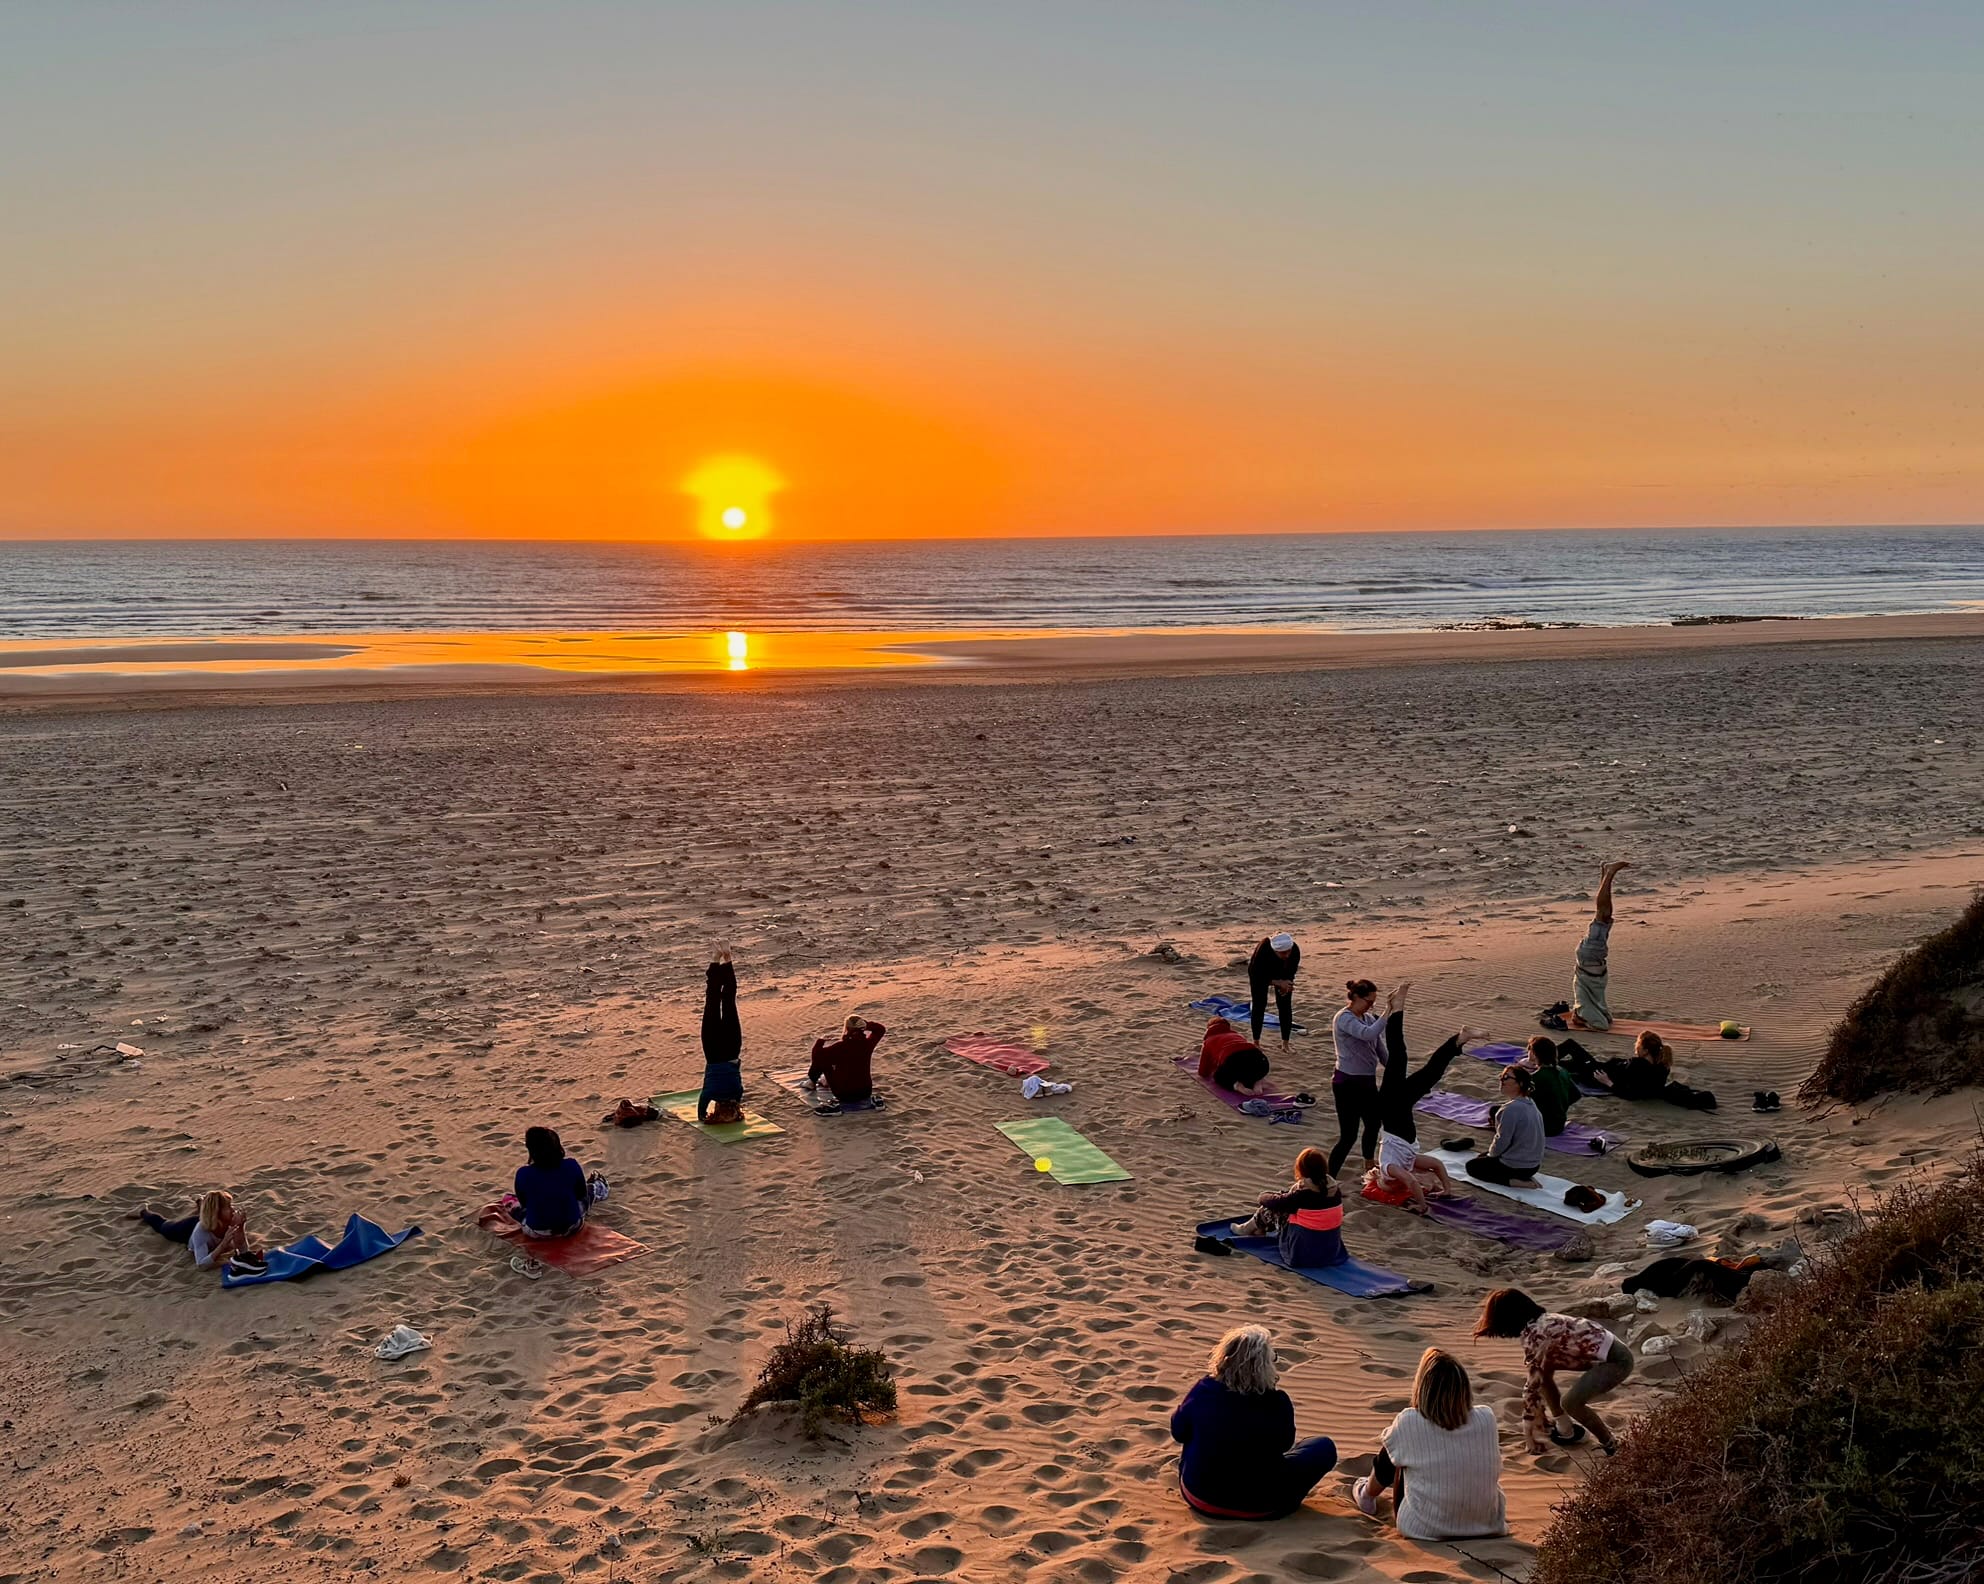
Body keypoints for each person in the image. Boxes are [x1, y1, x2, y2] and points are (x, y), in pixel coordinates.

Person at [1171, 1325, 1338, 1519]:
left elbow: (1178, 1431)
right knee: (1323, 1447)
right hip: (1262, 1506)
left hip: (1199, 1497)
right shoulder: (1276, 1401)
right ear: (1266, 1366)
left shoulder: (1204, 1390)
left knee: (1195, 1427)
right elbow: (1284, 1444)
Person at [1352, 1348, 1507, 1540]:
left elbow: (1388, 1461)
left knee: (1398, 1451)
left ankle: (1367, 1495)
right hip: (1488, 1525)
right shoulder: (1486, 1418)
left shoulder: (1410, 1421)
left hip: (1425, 1527)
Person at [1475, 1288, 1632, 1456]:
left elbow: (1532, 1388)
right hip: (1610, 1353)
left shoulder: (1536, 1335)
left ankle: (1612, 1445)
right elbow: (1541, 1377)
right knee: (1543, 1375)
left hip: (1616, 1361)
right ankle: (1566, 1430)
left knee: (1571, 1403)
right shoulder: (1542, 1322)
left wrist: (1531, 1435)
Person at [1370, 987, 1478, 1210]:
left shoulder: (1389, 1167)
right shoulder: (1408, 1162)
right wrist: (1447, 1188)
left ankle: (1397, 1007)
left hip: (1391, 1108)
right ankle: (1459, 1039)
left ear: (1382, 1180)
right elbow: (1436, 1164)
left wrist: (1422, 1205)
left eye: (1389, 1186)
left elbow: (1409, 1182)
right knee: (1430, 1073)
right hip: (1400, 1107)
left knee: (1399, 1056)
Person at [1230, 1147, 1346, 1267]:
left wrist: (1262, 1196)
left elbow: (1274, 1202)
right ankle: (1258, 1229)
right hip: (1329, 1251)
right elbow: (1291, 1200)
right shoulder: (1334, 1190)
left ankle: (1245, 1229)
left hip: (1304, 1253)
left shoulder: (1302, 1194)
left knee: (1270, 1209)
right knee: (1284, 1203)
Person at [1329, 979, 1390, 1178]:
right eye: (1368, 1001)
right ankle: (1329, 1177)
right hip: (1347, 1083)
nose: (1371, 1006)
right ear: (1355, 997)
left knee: (1373, 1124)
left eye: (1374, 1002)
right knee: (1348, 1135)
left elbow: (1379, 1047)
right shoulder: (1344, 1018)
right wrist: (1388, 1011)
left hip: (1366, 1082)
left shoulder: (1369, 1018)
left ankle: (1369, 1164)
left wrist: (1393, 1069)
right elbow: (1367, 1034)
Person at [1570, 861, 1629, 1031]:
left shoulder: (1583, 1005)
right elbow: (1603, 1024)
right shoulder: (1586, 1004)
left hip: (1590, 955)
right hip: (1592, 956)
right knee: (1604, 914)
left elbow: (1600, 1025)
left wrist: (1582, 1020)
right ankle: (1606, 873)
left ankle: (1608, 873)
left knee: (1603, 914)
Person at [1464, 1068, 1544, 1187]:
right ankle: (1522, 1176)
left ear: (1520, 1083)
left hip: (1518, 1166)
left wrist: (1490, 1156)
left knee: (1472, 1167)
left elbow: (1502, 1140)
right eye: (1501, 1076)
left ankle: (1515, 1182)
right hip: (1533, 1166)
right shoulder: (1530, 1102)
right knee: (1483, 1156)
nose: (1502, 1080)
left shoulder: (1511, 1108)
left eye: (1506, 1078)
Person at [513, 1127, 597, 1238]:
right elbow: (581, 1195)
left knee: (511, 1203)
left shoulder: (523, 1173)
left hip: (538, 1232)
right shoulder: (571, 1165)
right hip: (573, 1226)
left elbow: (524, 1203)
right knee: (588, 1194)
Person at [697, 950, 745, 1124]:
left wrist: (736, 1114)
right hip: (712, 1052)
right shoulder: (711, 1094)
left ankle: (728, 959)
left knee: (729, 1001)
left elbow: (738, 1100)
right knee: (712, 1001)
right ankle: (715, 960)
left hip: (732, 1050)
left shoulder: (737, 1093)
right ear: (716, 1109)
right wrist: (705, 1118)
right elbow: (701, 1111)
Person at [805, 1014, 888, 1113]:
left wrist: (820, 1041)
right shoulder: (867, 1044)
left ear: (847, 1028)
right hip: (865, 1092)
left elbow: (817, 1055)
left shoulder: (839, 1047)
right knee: (831, 1061)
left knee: (824, 1060)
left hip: (844, 1094)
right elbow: (880, 1029)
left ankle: (812, 1081)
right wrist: (866, 1024)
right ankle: (820, 1081)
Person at [1249, 931, 1301, 1053]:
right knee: (1259, 1004)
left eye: (1289, 951)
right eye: (1283, 953)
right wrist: (1276, 982)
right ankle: (1256, 1042)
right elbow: (1257, 975)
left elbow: (1291, 972)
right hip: (1260, 973)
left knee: (1285, 1005)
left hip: (1282, 973)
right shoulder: (1263, 950)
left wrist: (1287, 985)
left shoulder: (1295, 951)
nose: (1287, 955)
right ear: (1275, 951)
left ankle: (1285, 1044)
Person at [1198, 1015, 1272, 1096]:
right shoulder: (1237, 1035)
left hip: (1233, 1060)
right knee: (1249, 1070)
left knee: (1219, 1076)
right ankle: (1257, 1081)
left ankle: (1237, 1086)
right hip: (1261, 1061)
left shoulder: (1208, 1040)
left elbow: (1203, 1071)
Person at [1523, 1036, 1582, 1136]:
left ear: (1533, 1053)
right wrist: (1560, 1105)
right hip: (1559, 1125)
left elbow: (1522, 1102)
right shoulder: (1562, 1071)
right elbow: (1576, 1095)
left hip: (1542, 1127)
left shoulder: (1536, 1077)